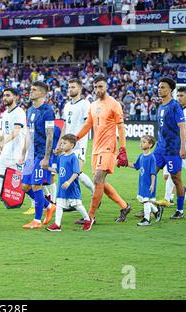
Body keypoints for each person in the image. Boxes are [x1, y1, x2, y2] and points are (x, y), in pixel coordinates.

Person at [76, 75, 132, 231]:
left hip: (108, 147)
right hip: (96, 148)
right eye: (95, 87)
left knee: (98, 179)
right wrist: (76, 138)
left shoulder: (114, 104)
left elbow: (121, 128)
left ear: (106, 87)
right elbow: (88, 125)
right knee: (100, 182)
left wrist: (123, 149)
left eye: (100, 86)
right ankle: (124, 206)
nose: (97, 90)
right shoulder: (93, 105)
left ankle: (90, 216)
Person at [19, 81, 56, 230]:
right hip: (31, 153)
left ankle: (37, 220)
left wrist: (46, 158)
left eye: (34, 90)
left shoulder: (47, 111)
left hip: (41, 154)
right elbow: (29, 133)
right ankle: (49, 206)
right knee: (25, 186)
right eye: (30, 89)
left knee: (36, 185)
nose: (30, 91)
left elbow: (50, 135)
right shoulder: (29, 111)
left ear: (42, 93)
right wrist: (23, 152)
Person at [152, 78, 186, 219]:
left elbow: (182, 128)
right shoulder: (160, 106)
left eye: (163, 87)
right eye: (159, 87)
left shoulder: (175, 106)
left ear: (170, 90)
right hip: (160, 148)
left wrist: (182, 148)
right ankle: (150, 207)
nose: (160, 89)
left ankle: (180, 211)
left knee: (176, 178)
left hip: (173, 149)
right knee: (150, 173)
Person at [56, 78, 95, 197]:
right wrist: (60, 144)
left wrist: (76, 139)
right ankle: (74, 200)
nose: (70, 89)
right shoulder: (67, 105)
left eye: (73, 87)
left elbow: (87, 125)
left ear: (80, 89)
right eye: (69, 87)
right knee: (71, 173)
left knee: (76, 172)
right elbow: (65, 126)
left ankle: (93, 192)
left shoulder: (85, 104)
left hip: (79, 145)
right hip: (67, 145)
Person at [44, 134, 91, 232]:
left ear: (72, 145)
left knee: (77, 205)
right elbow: (58, 170)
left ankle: (87, 220)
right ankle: (57, 224)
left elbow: (76, 172)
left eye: (64, 143)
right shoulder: (61, 157)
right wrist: (47, 168)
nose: (62, 145)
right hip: (62, 187)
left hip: (71, 187)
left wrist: (69, 182)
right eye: (61, 143)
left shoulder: (73, 158)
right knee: (59, 205)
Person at [125, 135, 163, 226]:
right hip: (142, 182)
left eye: (144, 142)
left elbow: (153, 173)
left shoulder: (152, 158)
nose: (141, 144)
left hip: (149, 183)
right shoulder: (141, 156)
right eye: (141, 142)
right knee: (141, 199)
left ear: (150, 145)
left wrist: (152, 185)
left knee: (146, 200)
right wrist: (125, 163)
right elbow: (136, 166)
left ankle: (147, 219)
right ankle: (157, 210)